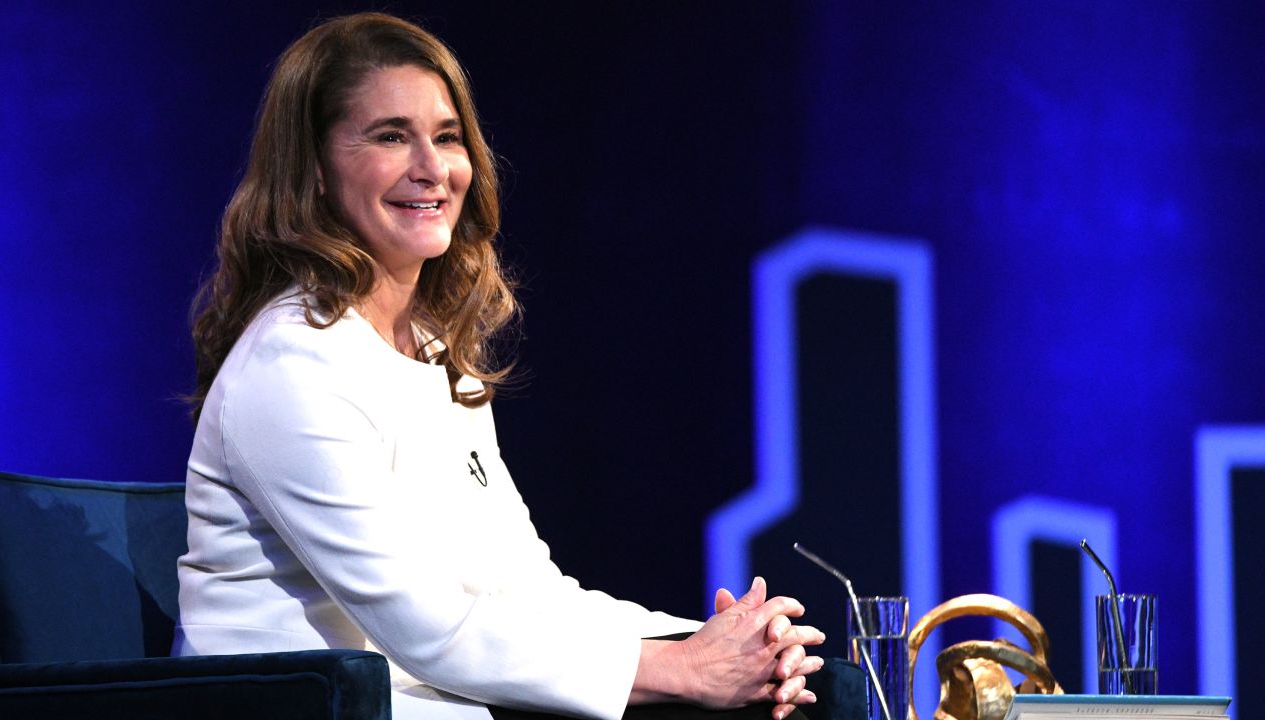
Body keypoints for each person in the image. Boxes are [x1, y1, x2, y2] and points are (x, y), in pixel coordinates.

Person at [173, 12, 824, 720]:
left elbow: (524, 591)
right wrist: (680, 668)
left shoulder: (433, 354)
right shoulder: (291, 365)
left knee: (794, 700)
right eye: (392, 136)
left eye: (447, 137)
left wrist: (709, 642)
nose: (433, 168)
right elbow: (427, 630)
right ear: (316, 170)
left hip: (438, 700)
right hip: (314, 709)